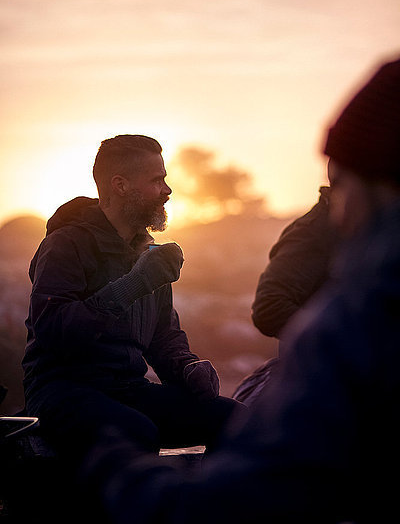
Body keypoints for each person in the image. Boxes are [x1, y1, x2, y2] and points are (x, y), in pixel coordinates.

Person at [81, 57, 400, 523]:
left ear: (378, 188)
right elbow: (57, 331)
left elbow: (247, 498)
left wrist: (121, 477)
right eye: (158, 181)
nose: (335, 206)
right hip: (83, 390)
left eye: (344, 183)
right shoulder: (76, 249)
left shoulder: (357, 326)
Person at [22, 134, 242, 468]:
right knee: (135, 432)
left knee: (238, 422)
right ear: (121, 185)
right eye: (157, 181)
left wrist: (186, 366)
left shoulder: (147, 251)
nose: (167, 190)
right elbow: (54, 331)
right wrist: (136, 283)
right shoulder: (66, 245)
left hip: (127, 389)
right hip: (62, 391)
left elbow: (163, 336)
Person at [232, 183, 339, 405]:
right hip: (324, 383)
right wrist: (340, 340)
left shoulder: (373, 231)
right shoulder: (313, 233)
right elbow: (269, 307)